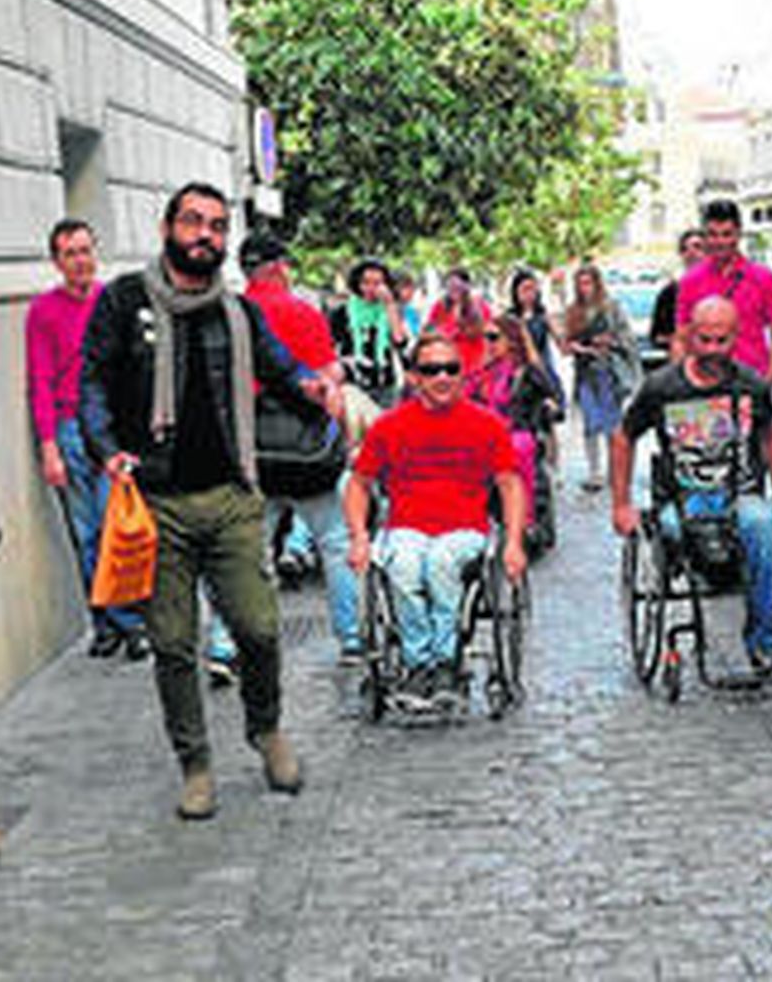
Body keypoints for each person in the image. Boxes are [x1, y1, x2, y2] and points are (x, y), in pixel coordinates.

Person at [79, 182, 334, 819]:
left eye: (217, 227)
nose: (206, 236)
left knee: (258, 626)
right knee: (172, 643)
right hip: (157, 502)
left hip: (232, 496)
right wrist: (106, 447)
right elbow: (93, 384)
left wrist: (316, 386)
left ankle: (265, 727)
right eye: (194, 222)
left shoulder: (239, 313)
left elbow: (279, 369)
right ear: (168, 228)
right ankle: (194, 763)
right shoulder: (123, 302)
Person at [343, 332, 527, 705]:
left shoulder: (487, 424)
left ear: (462, 374)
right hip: (406, 528)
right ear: (414, 377)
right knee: (406, 565)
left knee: (441, 562)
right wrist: (359, 536)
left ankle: (445, 662)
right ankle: (418, 663)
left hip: (466, 529)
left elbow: (510, 484)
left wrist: (514, 542)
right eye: (431, 370)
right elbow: (358, 484)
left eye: (451, 369)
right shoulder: (389, 426)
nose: (442, 377)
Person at [611, 296, 772, 668]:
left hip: (739, 492)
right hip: (683, 496)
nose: (713, 350)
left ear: (736, 337)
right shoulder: (662, 387)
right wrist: (621, 503)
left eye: (722, 341)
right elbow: (623, 437)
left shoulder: (751, 385)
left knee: (761, 526)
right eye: (705, 340)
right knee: (674, 531)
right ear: (691, 336)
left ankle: (765, 635)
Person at [25, 219, 148, 661]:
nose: (80, 260)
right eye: (70, 253)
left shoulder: (113, 301)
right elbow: (38, 381)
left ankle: (131, 622)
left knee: (116, 527)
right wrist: (48, 446)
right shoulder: (42, 311)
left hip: (112, 429)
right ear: (57, 262)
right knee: (86, 533)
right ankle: (105, 623)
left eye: (85, 250)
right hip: (69, 428)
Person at [238, 230, 361, 662]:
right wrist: (343, 437)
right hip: (305, 451)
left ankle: (224, 644)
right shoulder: (302, 313)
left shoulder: (231, 313)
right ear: (277, 268)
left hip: (251, 451)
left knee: (243, 551)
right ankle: (351, 638)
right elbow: (327, 382)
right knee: (334, 541)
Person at [465, 314, 562, 531]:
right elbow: (462, 397)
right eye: (485, 338)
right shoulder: (483, 372)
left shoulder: (527, 371)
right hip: (484, 432)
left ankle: (524, 516)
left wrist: (549, 407)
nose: (488, 343)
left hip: (516, 430)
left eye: (493, 337)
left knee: (517, 449)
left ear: (510, 339)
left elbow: (553, 398)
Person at [676, 200, 772, 383]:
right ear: (705, 236)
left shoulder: (762, 277)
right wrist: (682, 384)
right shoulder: (690, 281)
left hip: (751, 381)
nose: (720, 242)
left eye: (726, 234)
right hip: (705, 384)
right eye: (713, 235)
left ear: (738, 235)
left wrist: (769, 381)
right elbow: (681, 337)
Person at [563, 262, 639, 491]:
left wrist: (611, 342)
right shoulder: (573, 311)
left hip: (608, 372)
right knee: (590, 422)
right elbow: (567, 342)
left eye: (588, 282)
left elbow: (627, 337)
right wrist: (578, 348)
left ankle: (612, 470)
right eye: (580, 283)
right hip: (586, 372)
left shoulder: (611, 308)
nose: (584, 288)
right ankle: (594, 471)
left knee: (611, 423)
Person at [330, 256, 408, 408]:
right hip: (352, 384)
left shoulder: (390, 310)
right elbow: (329, 345)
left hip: (384, 383)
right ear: (357, 284)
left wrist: (390, 305)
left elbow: (400, 341)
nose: (371, 288)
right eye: (366, 282)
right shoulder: (342, 312)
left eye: (377, 283)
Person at [649, 227, 708, 358]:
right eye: (684, 249)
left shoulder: (723, 289)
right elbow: (657, 336)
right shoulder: (669, 293)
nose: (691, 252)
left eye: (697, 247)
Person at [507, 267, 563, 398]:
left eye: (532, 288)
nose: (529, 294)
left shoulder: (543, 315)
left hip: (543, 371)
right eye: (525, 289)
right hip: (519, 374)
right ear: (516, 292)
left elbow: (561, 342)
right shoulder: (510, 317)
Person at [425, 266, 492, 375]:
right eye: (450, 286)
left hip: (474, 364)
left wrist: (461, 317)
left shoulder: (478, 306)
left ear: (467, 286)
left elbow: (483, 332)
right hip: (447, 363)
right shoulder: (440, 306)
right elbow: (428, 329)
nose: (453, 290)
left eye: (458, 286)